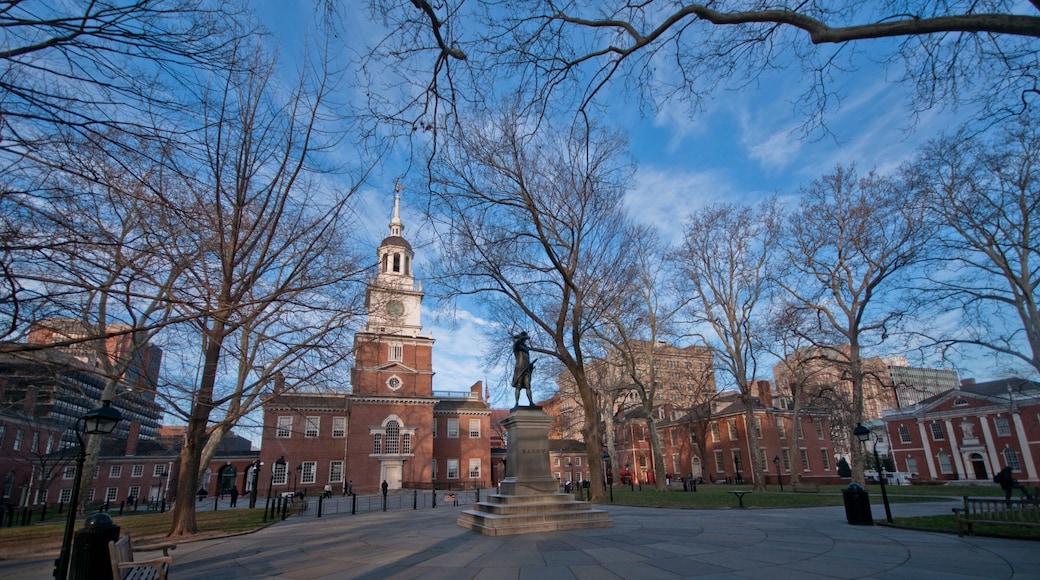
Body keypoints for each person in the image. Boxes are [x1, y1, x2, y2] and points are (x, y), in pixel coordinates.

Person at [512, 331, 535, 407]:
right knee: (518, 386)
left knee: (528, 386)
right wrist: (520, 337)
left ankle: (531, 402)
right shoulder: (517, 347)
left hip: (527, 369)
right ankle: (516, 403)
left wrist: (530, 366)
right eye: (524, 339)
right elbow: (516, 344)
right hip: (520, 369)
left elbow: (527, 359)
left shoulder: (526, 348)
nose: (525, 340)